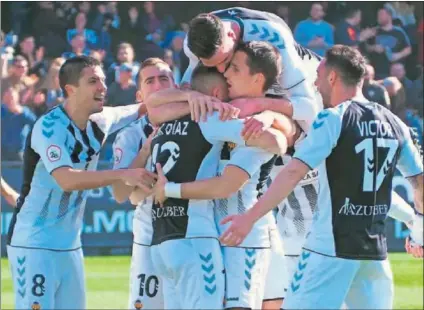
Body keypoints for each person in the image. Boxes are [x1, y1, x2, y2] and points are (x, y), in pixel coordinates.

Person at [219, 45, 423, 309]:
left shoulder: (333, 118)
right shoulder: (394, 123)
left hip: (329, 250)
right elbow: (419, 182)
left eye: (318, 75)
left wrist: (249, 218)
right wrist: (418, 229)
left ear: (333, 78)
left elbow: (293, 172)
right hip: (374, 253)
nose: (314, 83)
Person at [151, 41, 297, 310]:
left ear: (256, 78)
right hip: (219, 231)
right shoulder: (225, 116)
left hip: (245, 233)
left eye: (235, 70)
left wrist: (266, 116)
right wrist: (193, 99)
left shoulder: (254, 123)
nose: (228, 75)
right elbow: (154, 107)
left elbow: (274, 146)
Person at [6, 56, 156, 310]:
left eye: (103, 80)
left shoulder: (102, 119)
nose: (103, 87)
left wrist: (193, 96)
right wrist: (121, 174)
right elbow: (67, 179)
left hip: (70, 245)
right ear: (70, 89)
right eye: (93, 81)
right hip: (33, 243)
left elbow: (148, 106)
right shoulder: (48, 128)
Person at [181, 7, 323, 132]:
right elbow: (186, 88)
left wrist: (256, 104)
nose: (223, 70)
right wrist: (191, 96)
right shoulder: (193, 43)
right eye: (211, 65)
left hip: (316, 79)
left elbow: (310, 109)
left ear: (231, 35)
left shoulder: (273, 36)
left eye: (225, 60)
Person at [111, 57, 178, 309]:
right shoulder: (129, 135)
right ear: (140, 95)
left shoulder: (199, 125)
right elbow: (120, 194)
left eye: (164, 78)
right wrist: (146, 151)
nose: (158, 85)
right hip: (149, 237)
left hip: (193, 234)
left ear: (176, 85)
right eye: (150, 81)